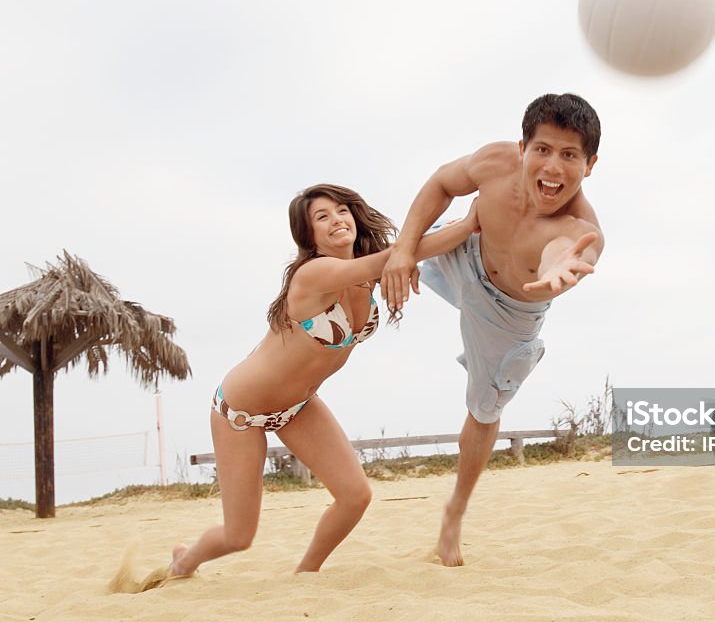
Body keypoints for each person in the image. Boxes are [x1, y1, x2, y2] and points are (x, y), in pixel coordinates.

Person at [166, 183, 478, 580]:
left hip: (297, 407)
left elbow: (407, 252)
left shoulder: (366, 274)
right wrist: (470, 222)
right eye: (322, 217)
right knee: (238, 535)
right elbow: (402, 253)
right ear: (308, 236)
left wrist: (472, 225)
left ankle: (306, 574)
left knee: (355, 496)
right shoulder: (314, 274)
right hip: (241, 411)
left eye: (341, 211)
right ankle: (184, 560)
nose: (336, 220)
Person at [380, 93, 605, 566]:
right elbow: (442, 182)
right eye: (543, 149)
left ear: (590, 165)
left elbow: (566, 251)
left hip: (507, 313)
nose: (553, 166)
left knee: (483, 408)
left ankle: (453, 517)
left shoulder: (578, 228)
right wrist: (404, 250)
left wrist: (562, 261)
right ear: (522, 148)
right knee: (383, 252)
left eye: (569, 155)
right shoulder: (496, 160)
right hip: (467, 248)